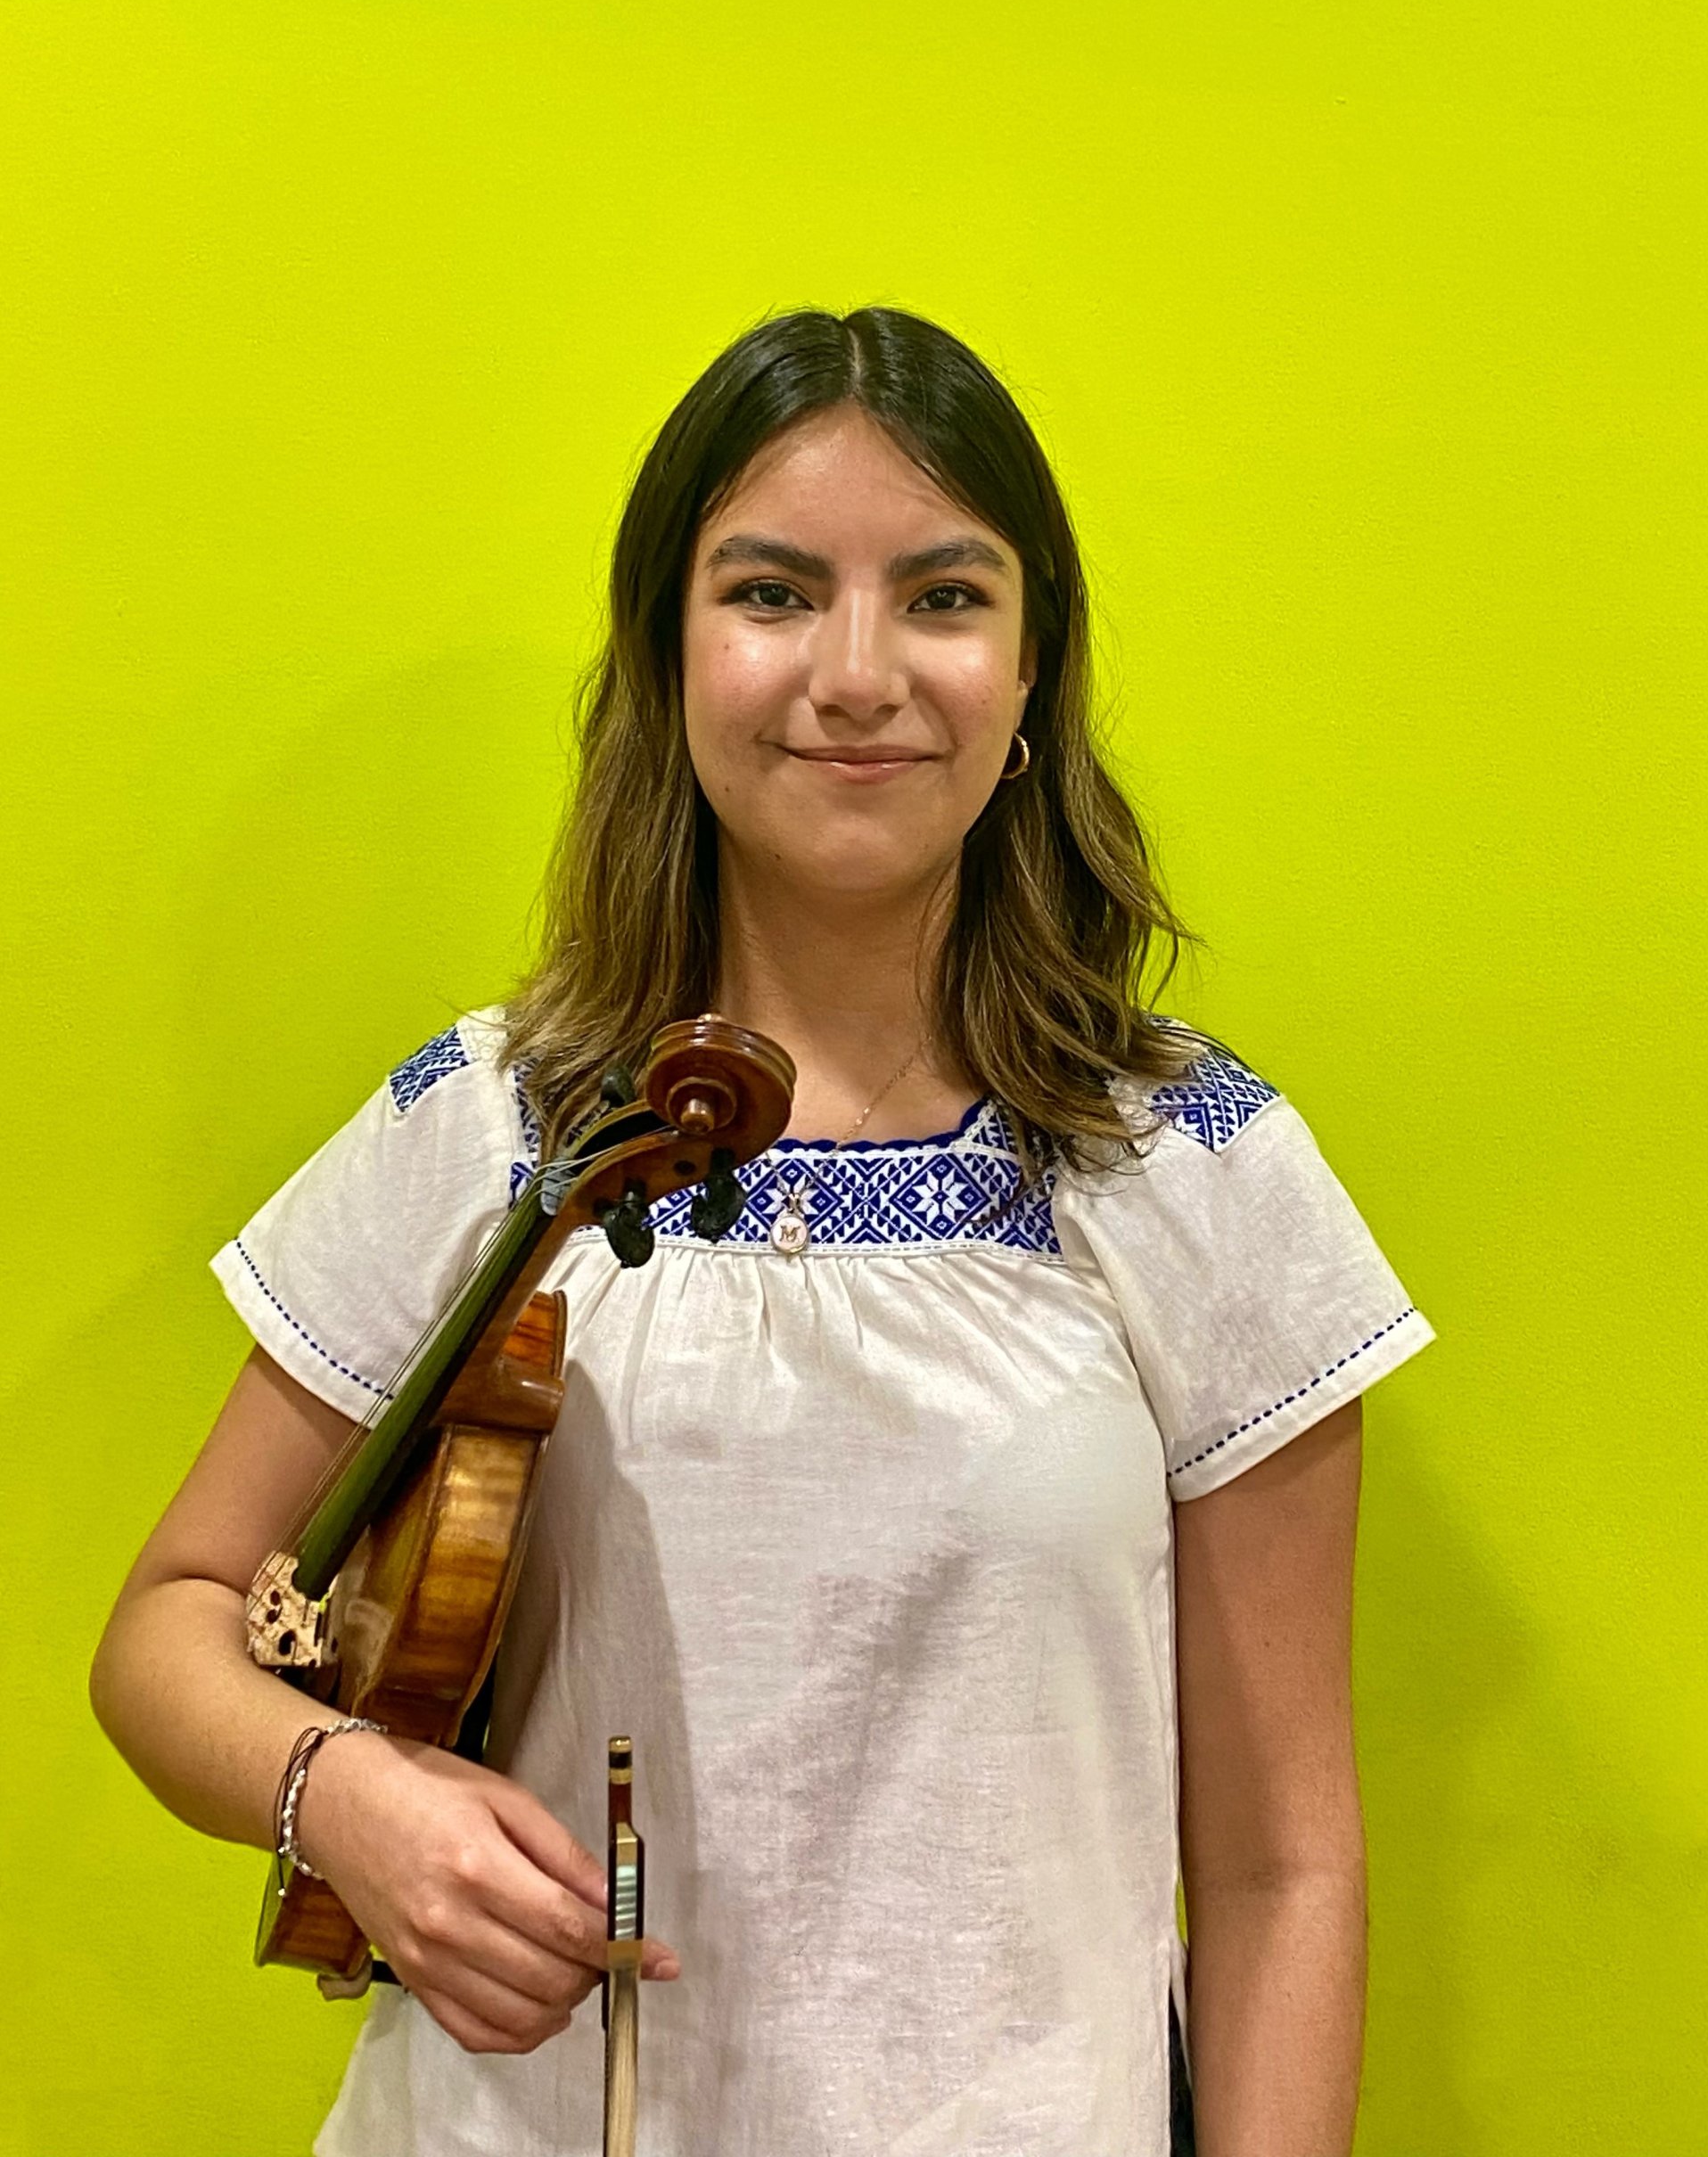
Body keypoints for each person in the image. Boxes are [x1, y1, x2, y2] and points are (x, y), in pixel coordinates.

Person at [91, 305, 1434, 2157]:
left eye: (943, 596)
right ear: (671, 654)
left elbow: (1286, 1864)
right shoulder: (498, 1122)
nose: (857, 674)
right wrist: (347, 1795)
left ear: (1032, 669)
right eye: (774, 592)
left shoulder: (1184, 1159)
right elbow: (168, 1634)